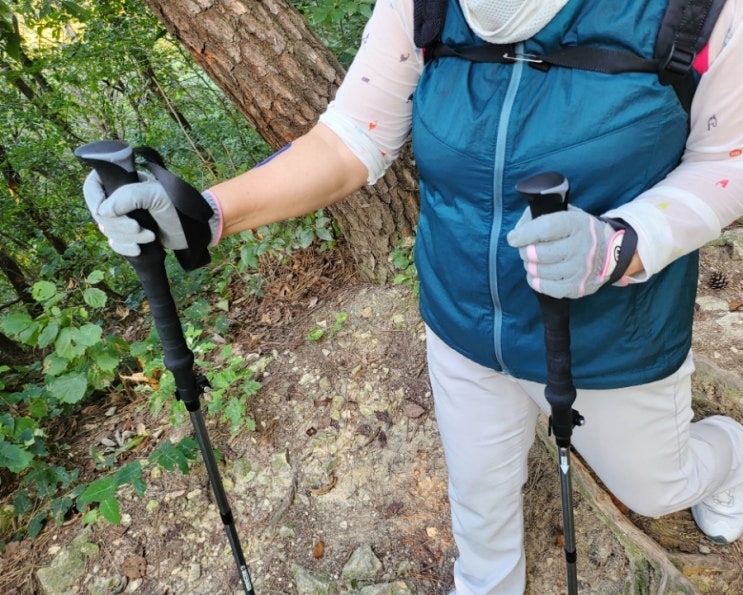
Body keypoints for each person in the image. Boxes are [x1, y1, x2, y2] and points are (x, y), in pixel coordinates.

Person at [84, 0, 743, 592]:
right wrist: (207, 213)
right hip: (460, 322)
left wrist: (623, 244)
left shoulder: (700, 12)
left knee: (655, 488)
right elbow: (351, 136)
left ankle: (731, 456)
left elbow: (726, 160)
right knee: (478, 491)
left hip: (610, 334)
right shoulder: (421, 6)